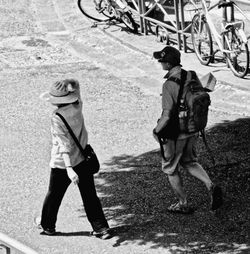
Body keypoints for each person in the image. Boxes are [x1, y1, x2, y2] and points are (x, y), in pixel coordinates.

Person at [35, 79, 111, 239]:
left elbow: (63, 145)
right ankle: (101, 227)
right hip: (82, 157)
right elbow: (76, 84)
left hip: (63, 163)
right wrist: (68, 84)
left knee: (54, 194)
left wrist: (69, 169)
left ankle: (47, 225)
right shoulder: (77, 105)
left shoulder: (57, 116)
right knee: (90, 194)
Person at [152, 46, 223, 214]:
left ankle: (183, 203)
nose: (160, 63)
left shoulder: (169, 85)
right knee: (189, 162)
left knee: (170, 168)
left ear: (168, 64)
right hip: (193, 129)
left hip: (175, 133)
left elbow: (167, 114)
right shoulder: (191, 75)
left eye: (161, 61)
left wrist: (156, 131)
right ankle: (210, 185)